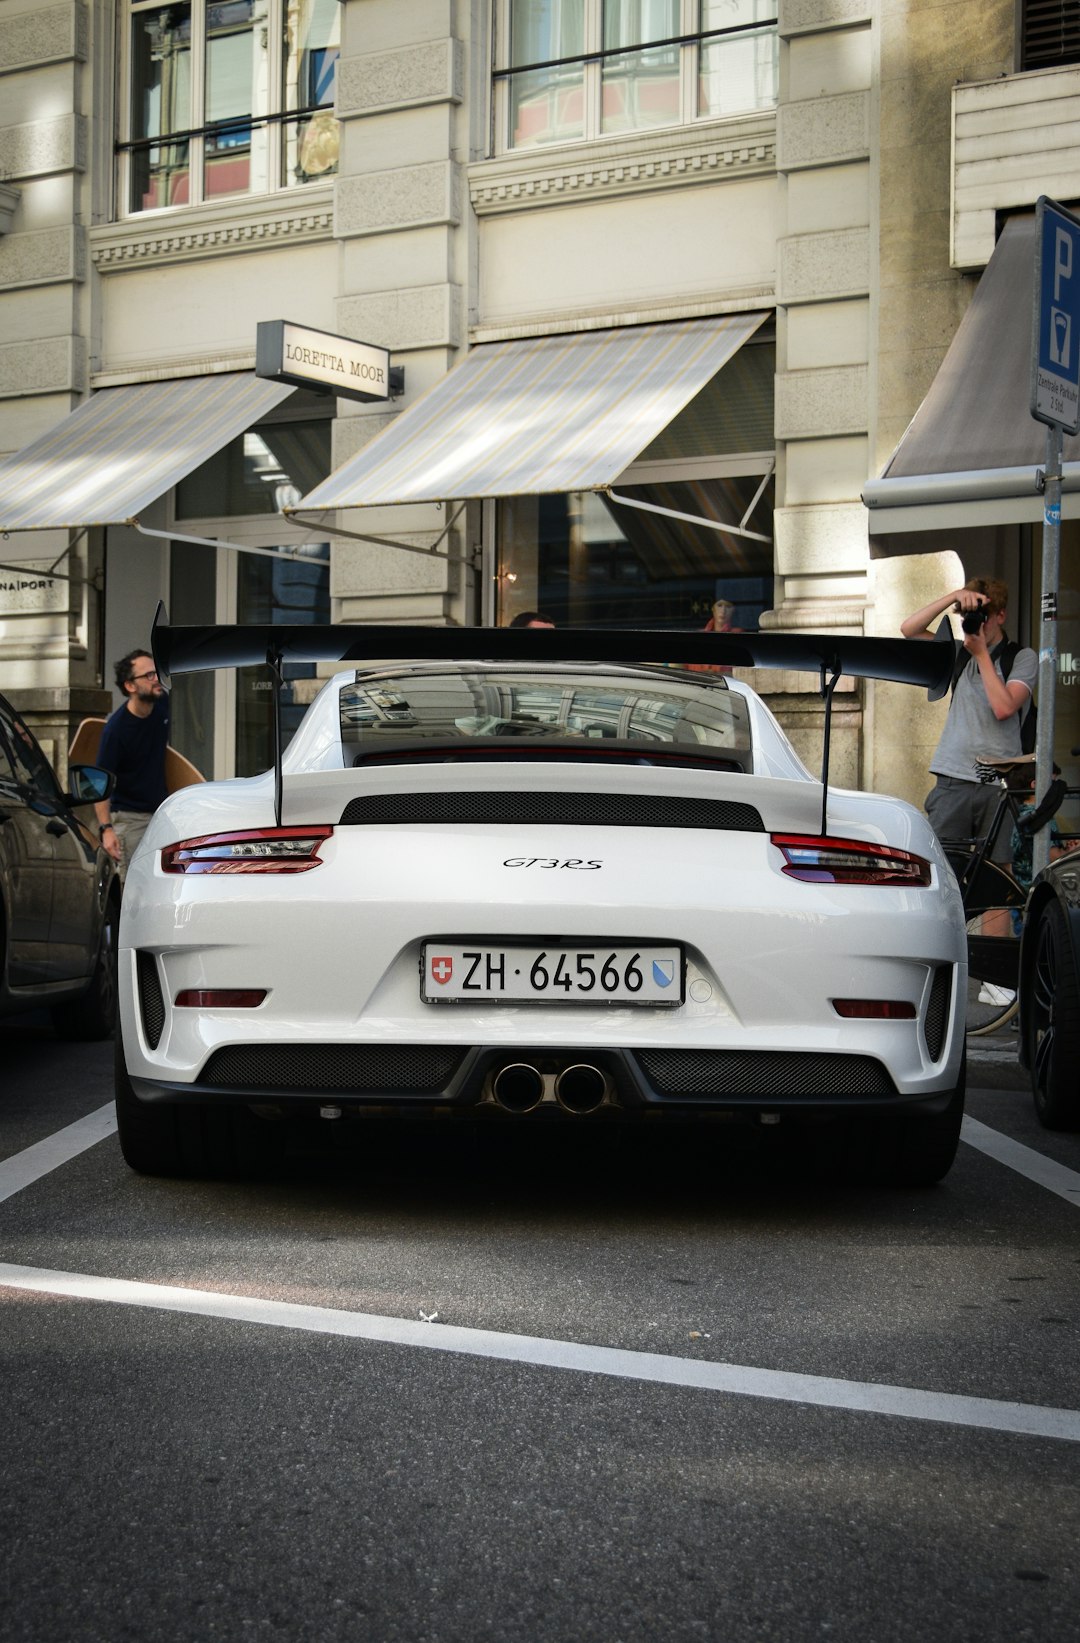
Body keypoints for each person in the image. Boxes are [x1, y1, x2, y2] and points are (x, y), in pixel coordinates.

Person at [901, 577, 1036, 863]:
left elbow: (1004, 707)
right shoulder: (961, 653)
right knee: (941, 868)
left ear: (1001, 616)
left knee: (997, 877)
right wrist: (955, 596)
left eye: (983, 617)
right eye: (970, 617)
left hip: (998, 782)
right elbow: (909, 630)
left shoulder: (1021, 658)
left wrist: (982, 654)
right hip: (953, 779)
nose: (977, 624)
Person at [94, 648, 170, 881]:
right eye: (148, 675)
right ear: (130, 686)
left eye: (156, 672)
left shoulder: (162, 705)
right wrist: (106, 829)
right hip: (129, 819)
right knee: (134, 889)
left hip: (160, 815)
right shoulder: (115, 731)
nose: (156, 678)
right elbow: (100, 784)